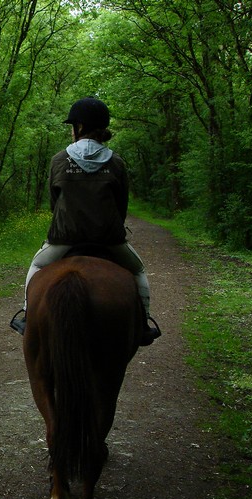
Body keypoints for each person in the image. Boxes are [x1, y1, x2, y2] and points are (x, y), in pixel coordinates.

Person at [11, 97, 161, 346]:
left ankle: (27, 317)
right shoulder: (116, 162)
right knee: (138, 271)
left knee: (36, 268)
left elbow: (54, 202)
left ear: (79, 127)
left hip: (64, 239)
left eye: (73, 126)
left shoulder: (59, 160)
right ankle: (143, 323)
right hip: (109, 240)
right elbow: (121, 206)